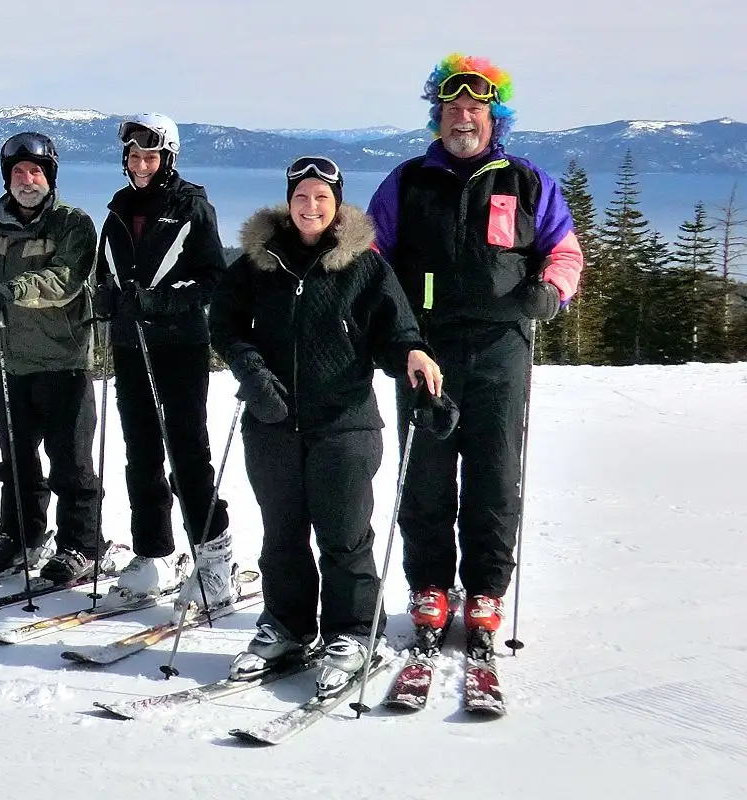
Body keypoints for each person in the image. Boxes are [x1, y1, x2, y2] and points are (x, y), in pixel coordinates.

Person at [367, 55, 583, 653]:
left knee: (494, 470)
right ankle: (431, 585)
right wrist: (392, 329)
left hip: (501, 349)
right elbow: (372, 259)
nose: (462, 117)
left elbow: (564, 250)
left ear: (495, 116)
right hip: (426, 351)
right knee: (427, 473)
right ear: (437, 116)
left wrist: (550, 290)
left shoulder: (525, 180)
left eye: (475, 108)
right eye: (451, 108)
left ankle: (486, 587)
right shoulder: (407, 181)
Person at [211, 156, 443, 694]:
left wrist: (414, 356)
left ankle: (354, 631)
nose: (310, 206)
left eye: (322, 197)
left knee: (343, 535)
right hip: (272, 420)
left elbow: (398, 331)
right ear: (287, 202)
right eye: (301, 197)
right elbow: (224, 325)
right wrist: (253, 373)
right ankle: (287, 627)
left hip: (345, 422)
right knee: (282, 533)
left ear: (337, 204)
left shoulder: (364, 266)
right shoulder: (257, 262)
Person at [0, 132, 103, 585]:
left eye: (35, 172)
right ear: (7, 179)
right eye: (18, 173)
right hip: (7, 362)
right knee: (16, 459)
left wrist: (14, 290)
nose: (27, 180)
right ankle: (22, 535)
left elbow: (65, 278)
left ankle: (80, 545)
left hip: (61, 360)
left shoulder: (72, 223)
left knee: (70, 461)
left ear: (50, 176)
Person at [92, 114, 234, 610]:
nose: (140, 164)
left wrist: (161, 302)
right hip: (131, 346)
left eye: (150, 156)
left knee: (186, 450)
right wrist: (106, 300)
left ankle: (215, 556)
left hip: (179, 347)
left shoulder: (191, 207)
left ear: (168, 158)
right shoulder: (117, 211)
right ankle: (153, 552)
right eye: (133, 156)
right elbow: (105, 276)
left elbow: (214, 278)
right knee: (141, 451)